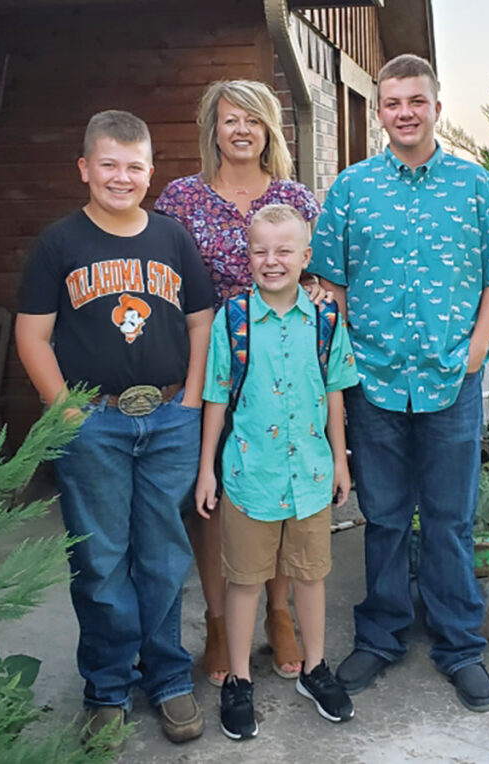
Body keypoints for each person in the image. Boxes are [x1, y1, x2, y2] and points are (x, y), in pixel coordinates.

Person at [308, 54, 489, 713]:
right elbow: (332, 284)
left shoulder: (475, 186)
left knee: (449, 518)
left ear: (437, 105)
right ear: (378, 110)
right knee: (380, 517)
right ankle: (380, 635)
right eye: (392, 101)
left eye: (416, 100)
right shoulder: (351, 189)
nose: (404, 111)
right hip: (373, 382)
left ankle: (459, 645)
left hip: (449, 383)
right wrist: (345, 358)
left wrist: (475, 351)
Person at [15, 109, 214, 745]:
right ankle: (105, 686)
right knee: (100, 560)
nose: (121, 177)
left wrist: (191, 400)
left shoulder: (172, 239)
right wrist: (64, 410)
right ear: (84, 169)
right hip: (93, 418)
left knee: (163, 554)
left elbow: (201, 321)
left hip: (167, 416)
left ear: (151, 172)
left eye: (133, 167)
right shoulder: (60, 244)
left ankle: (167, 679)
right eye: (108, 165)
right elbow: (33, 334)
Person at [155, 79, 321, 686]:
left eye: (253, 119)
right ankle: (221, 621)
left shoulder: (295, 196)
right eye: (229, 120)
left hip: (278, 367)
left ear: (269, 129)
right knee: (214, 497)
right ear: (213, 129)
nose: (241, 130)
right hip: (208, 362)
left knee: (275, 485)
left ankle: (279, 613)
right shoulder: (181, 200)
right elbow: (158, 279)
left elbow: (318, 277)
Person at [195, 203, 358, 739]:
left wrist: (339, 459)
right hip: (249, 476)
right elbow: (216, 395)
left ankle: (315, 668)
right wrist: (207, 471)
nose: (272, 261)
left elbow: (335, 393)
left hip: (310, 476)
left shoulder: (326, 317)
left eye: (284, 251)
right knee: (244, 581)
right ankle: (238, 680)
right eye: (260, 251)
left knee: (310, 576)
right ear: (247, 257)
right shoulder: (233, 319)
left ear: (305, 257)